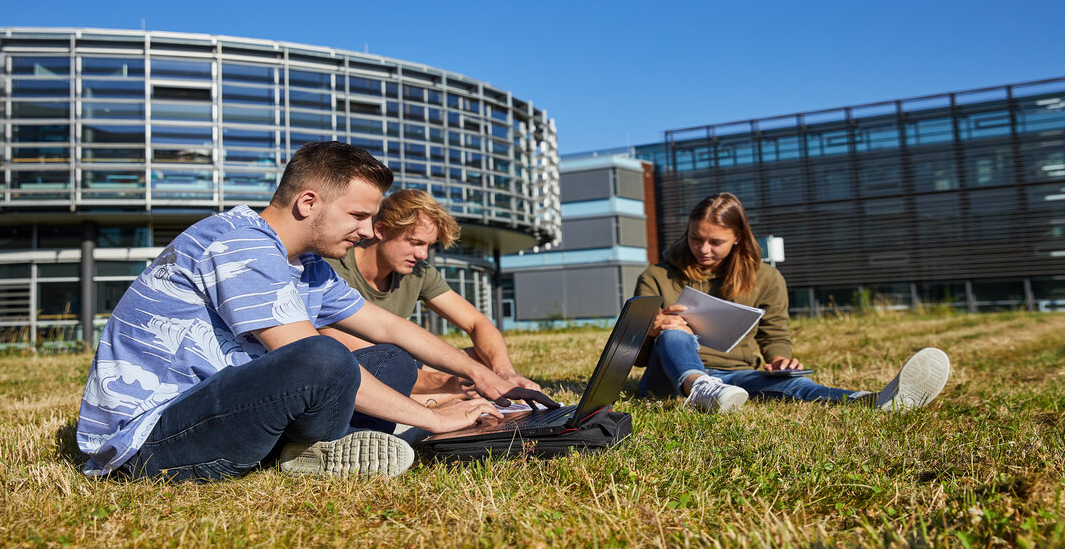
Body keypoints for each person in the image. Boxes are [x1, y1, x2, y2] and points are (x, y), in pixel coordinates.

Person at [76, 142, 555, 483]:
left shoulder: (306, 265)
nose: (369, 232)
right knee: (322, 356)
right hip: (151, 440)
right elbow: (306, 357)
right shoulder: (240, 243)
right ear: (308, 203)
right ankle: (324, 447)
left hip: (225, 406)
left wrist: (485, 375)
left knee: (392, 358)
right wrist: (434, 418)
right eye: (358, 216)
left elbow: (388, 324)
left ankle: (310, 451)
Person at [635, 192, 950, 413]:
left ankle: (872, 400)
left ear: (738, 239)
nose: (703, 249)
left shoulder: (767, 278)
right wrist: (650, 329)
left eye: (715, 242)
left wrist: (781, 359)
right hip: (668, 380)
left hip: (734, 377)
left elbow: (774, 334)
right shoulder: (657, 276)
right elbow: (630, 355)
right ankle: (699, 387)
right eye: (695, 238)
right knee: (675, 332)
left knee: (799, 385)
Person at [321, 189, 539, 405]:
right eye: (415, 242)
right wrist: (446, 381)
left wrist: (504, 373)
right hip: (357, 366)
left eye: (428, 246)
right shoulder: (333, 266)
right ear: (381, 230)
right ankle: (446, 396)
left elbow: (476, 323)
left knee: (484, 357)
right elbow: (346, 349)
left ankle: (444, 396)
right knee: (390, 367)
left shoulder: (419, 271)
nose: (423, 254)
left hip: (404, 365)